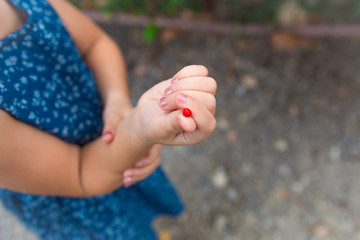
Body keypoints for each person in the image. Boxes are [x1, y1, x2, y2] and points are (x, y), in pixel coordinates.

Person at [0, 0, 217, 239]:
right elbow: (80, 172)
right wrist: (136, 131)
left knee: (139, 206)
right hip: (72, 193)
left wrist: (117, 102)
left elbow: (95, 44)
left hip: (113, 143)